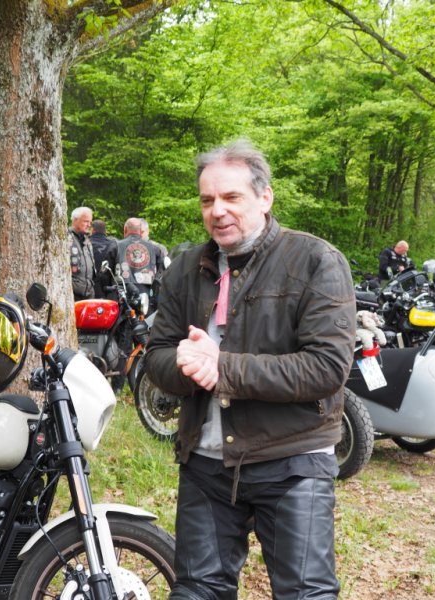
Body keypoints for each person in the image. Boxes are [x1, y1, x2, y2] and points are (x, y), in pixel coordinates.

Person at [145, 140, 357, 599]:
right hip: (205, 462)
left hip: (293, 459)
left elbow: (326, 368)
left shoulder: (316, 260)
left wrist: (223, 368)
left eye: (231, 197)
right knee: (197, 590)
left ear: (265, 197)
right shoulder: (185, 268)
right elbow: (156, 354)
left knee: (305, 593)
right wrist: (185, 364)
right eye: (207, 200)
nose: (217, 210)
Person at [116, 217, 164, 306]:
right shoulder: (155, 249)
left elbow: (107, 273)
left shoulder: (116, 246)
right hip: (147, 296)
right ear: (141, 231)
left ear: (125, 229)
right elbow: (161, 273)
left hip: (122, 295)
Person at [69, 206, 95, 301]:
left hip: (88, 293)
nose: (89, 225)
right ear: (75, 220)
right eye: (86, 221)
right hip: (72, 294)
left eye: (90, 222)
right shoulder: (65, 238)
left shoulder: (87, 240)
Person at [90, 219, 118, 297]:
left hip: (90, 285)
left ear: (92, 230)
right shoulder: (114, 244)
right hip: (108, 287)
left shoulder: (86, 243)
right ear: (105, 231)